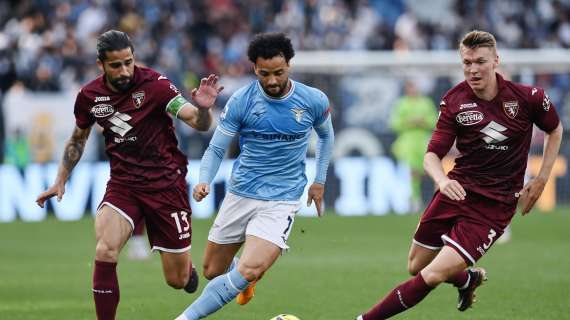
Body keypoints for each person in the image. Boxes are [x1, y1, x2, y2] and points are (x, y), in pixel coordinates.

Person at [357, 30, 563, 319]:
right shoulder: (454, 101)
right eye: (466, 62)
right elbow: (431, 156)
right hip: (457, 190)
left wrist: (541, 178)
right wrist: (442, 180)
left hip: (494, 206)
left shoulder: (527, 98)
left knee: (431, 275)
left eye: (480, 61)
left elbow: (555, 129)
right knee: (416, 265)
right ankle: (467, 279)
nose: (473, 69)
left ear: (495, 61)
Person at [35, 30, 224, 320]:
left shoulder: (156, 85)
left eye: (128, 62)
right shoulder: (89, 96)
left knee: (177, 281)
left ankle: (187, 271)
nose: (124, 70)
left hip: (165, 184)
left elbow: (195, 121)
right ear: (101, 65)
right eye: (116, 65)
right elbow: (77, 139)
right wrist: (60, 179)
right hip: (123, 184)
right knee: (106, 250)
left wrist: (201, 109)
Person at [175, 32, 334, 320]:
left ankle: (185, 318)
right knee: (212, 270)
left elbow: (326, 136)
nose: (272, 80)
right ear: (254, 69)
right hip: (241, 192)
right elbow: (216, 147)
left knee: (251, 269)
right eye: (264, 74)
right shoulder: (242, 101)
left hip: (281, 199)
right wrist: (204, 180)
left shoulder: (313, 100)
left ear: (290, 65)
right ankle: (243, 278)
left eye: (278, 72)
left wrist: (319, 181)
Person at [389, 80, 437, 212]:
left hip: (424, 140)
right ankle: (414, 199)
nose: (413, 90)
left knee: (429, 171)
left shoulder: (426, 102)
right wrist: (408, 122)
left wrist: (423, 122)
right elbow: (394, 124)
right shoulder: (401, 103)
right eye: (410, 87)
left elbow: (435, 121)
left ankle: (434, 200)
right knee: (412, 171)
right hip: (407, 142)